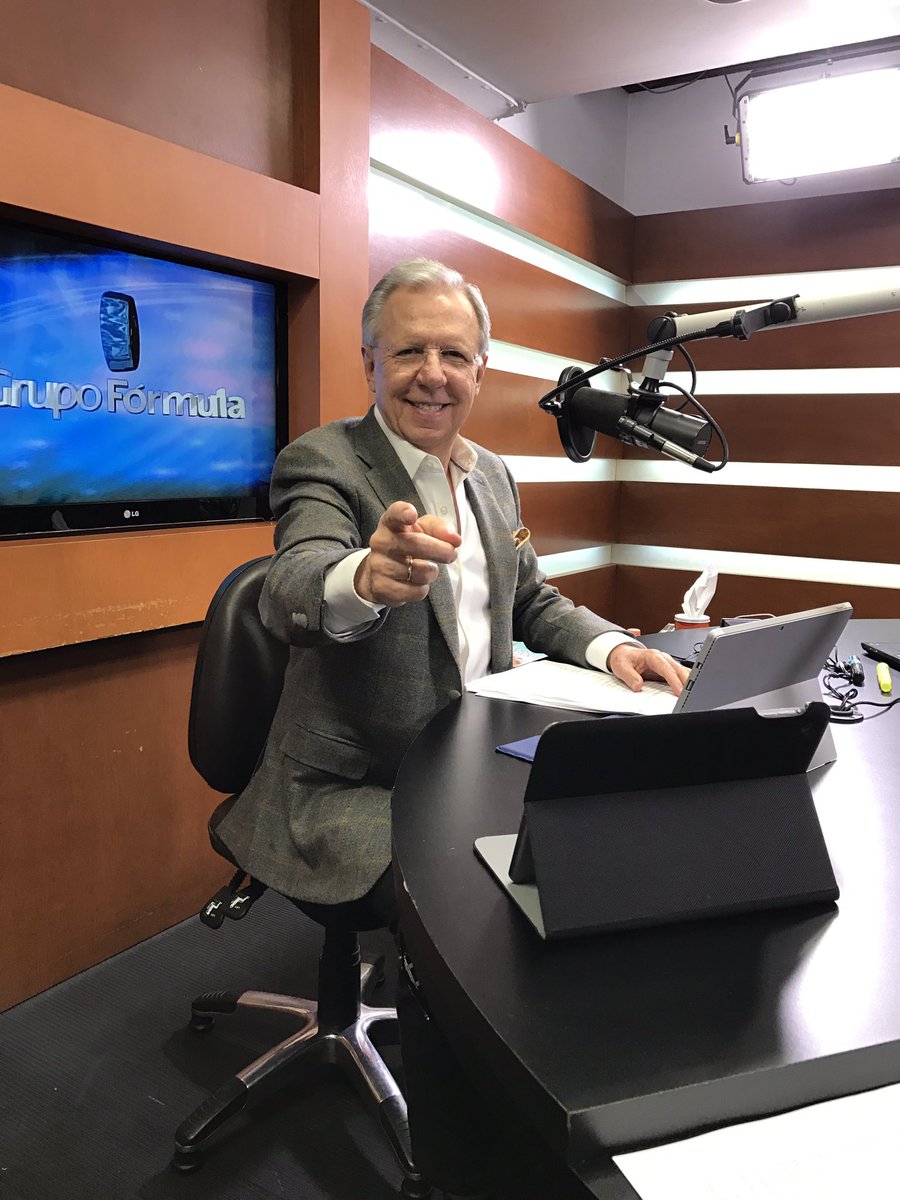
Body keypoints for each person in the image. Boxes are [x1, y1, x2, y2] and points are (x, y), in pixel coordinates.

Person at [216, 258, 688, 1197]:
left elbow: (534, 600)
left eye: (454, 354)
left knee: (583, 849)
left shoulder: (493, 475)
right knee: (480, 905)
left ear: (481, 368)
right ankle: (463, 1159)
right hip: (350, 786)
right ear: (369, 361)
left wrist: (611, 649)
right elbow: (294, 582)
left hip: (471, 762)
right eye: (409, 352)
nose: (432, 374)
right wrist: (364, 576)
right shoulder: (324, 462)